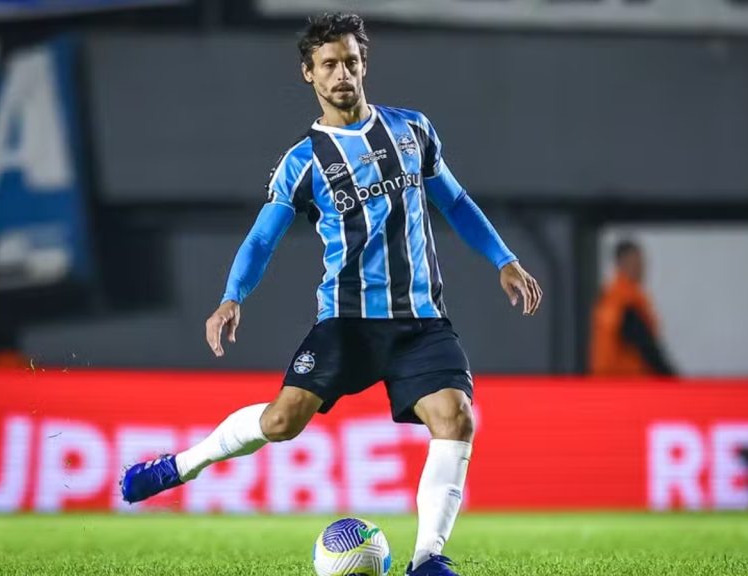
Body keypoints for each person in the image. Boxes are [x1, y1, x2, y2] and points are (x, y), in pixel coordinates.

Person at [120, 13, 542, 576]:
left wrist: (504, 259)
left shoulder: (413, 131)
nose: (342, 73)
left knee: (456, 417)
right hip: (346, 322)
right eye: (329, 65)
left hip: (421, 321)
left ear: (363, 64)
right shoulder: (303, 162)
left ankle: (427, 560)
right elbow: (262, 238)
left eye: (350, 61)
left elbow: (456, 202)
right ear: (309, 74)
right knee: (281, 422)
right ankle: (180, 467)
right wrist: (232, 295)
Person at [589, 238, 677, 377]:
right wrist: (673, 379)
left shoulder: (609, 297)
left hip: (605, 382)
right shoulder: (626, 301)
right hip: (627, 381)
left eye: (642, 263)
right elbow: (646, 346)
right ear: (621, 264)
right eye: (636, 262)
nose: (641, 268)